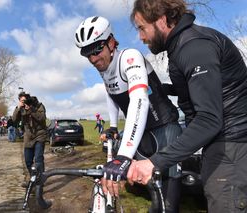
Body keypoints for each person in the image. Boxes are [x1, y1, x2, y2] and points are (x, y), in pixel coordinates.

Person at [128, 0, 247, 212]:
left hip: (231, 147)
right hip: (224, 145)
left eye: (142, 28)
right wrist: (164, 89)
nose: (141, 37)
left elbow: (209, 119)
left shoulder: (194, 48)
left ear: (162, 20)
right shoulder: (181, 45)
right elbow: (203, 89)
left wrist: (154, 162)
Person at [75, 16, 182, 212]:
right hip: (144, 133)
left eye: (96, 50)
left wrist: (124, 155)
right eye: (87, 54)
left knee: (168, 201)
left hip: (165, 128)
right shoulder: (104, 67)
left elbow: (139, 99)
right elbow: (111, 92)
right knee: (149, 189)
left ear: (111, 42)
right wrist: (114, 126)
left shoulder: (129, 57)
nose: (93, 59)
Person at [12, 92, 48, 188]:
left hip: (39, 134)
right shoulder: (21, 108)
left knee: (38, 159)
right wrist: (18, 108)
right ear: (20, 101)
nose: (24, 102)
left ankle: (40, 181)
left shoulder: (39, 106)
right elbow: (14, 120)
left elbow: (42, 118)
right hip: (28, 136)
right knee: (28, 161)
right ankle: (33, 178)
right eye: (22, 101)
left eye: (25, 100)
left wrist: (31, 109)